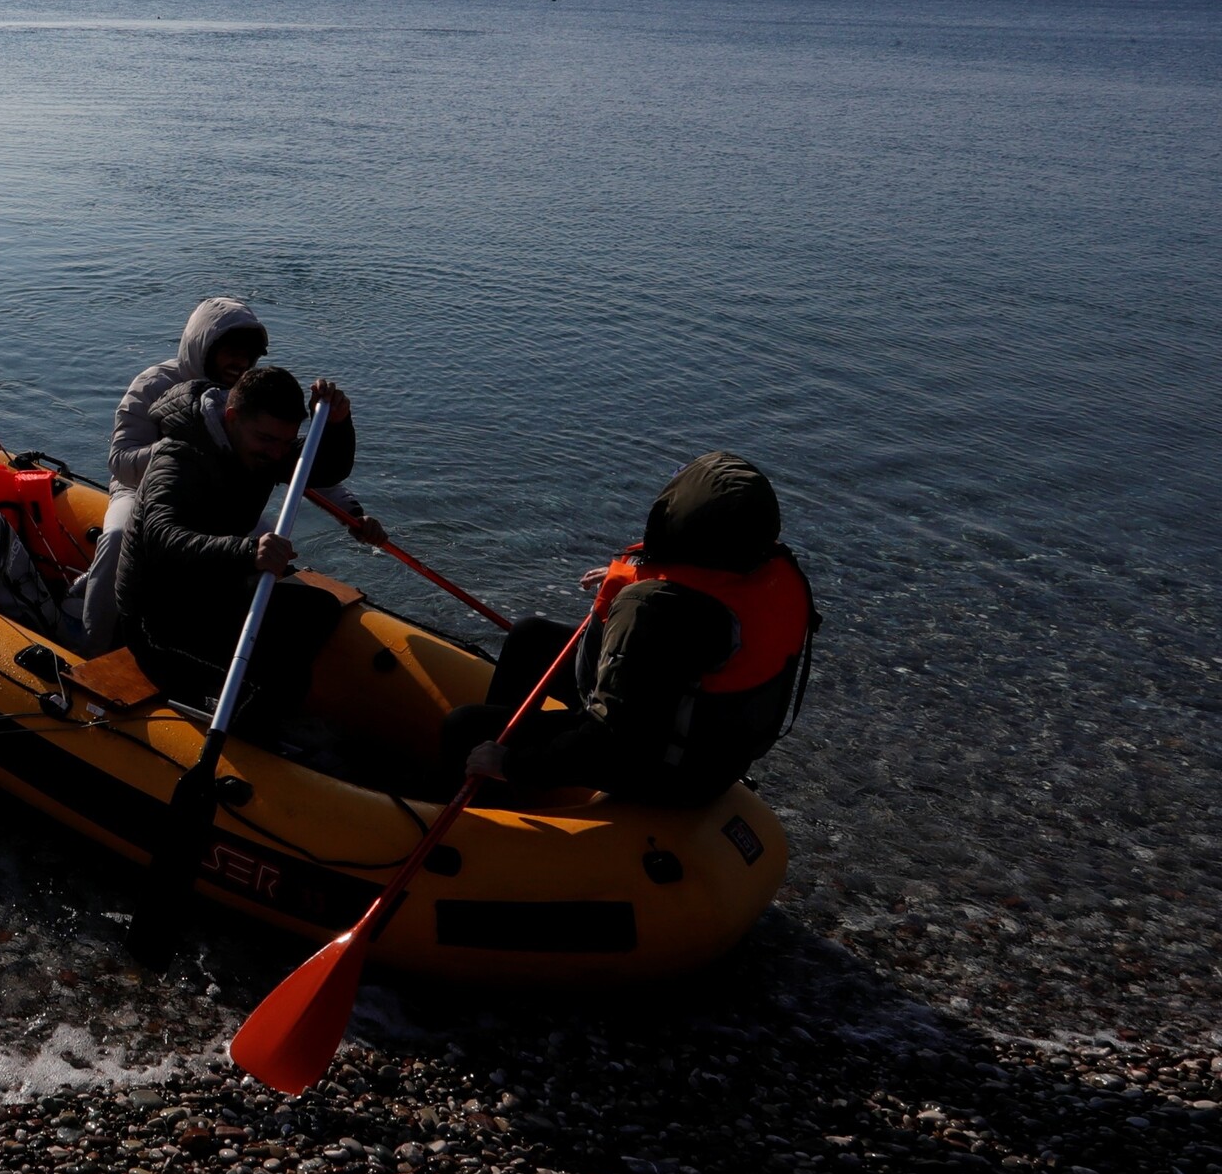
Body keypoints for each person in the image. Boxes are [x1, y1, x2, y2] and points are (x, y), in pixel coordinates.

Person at [442, 451, 815, 807]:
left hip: (662, 766)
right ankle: (504, 771)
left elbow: (611, 741)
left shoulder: (653, 609)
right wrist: (638, 574)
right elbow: (710, 587)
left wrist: (512, 763)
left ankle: (477, 814)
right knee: (530, 637)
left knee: (465, 727)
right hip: (704, 736)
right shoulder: (768, 571)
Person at [78, 298, 384, 648]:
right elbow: (120, 460)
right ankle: (93, 641)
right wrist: (184, 452)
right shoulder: (153, 384)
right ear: (204, 348)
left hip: (222, 490)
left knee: (271, 542)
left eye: (249, 355)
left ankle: (247, 625)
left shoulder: (251, 395)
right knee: (118, 535)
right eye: (231, 352)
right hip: (142, 491)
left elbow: (292, 461)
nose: (239, 363)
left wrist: (353, 516)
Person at [111, 363, 363, 739]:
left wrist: (339, 423)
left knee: (320, 610)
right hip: (158, 616)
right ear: (232, 417)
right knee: (278, 679)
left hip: (213, 591)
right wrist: (247, 552)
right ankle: (247, 746)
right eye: (267, 440)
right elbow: (161, 538)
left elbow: (324, 469)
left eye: (285, 441)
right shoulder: (179, 458)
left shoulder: (260, 448)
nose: (277, 453)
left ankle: (257, 712)